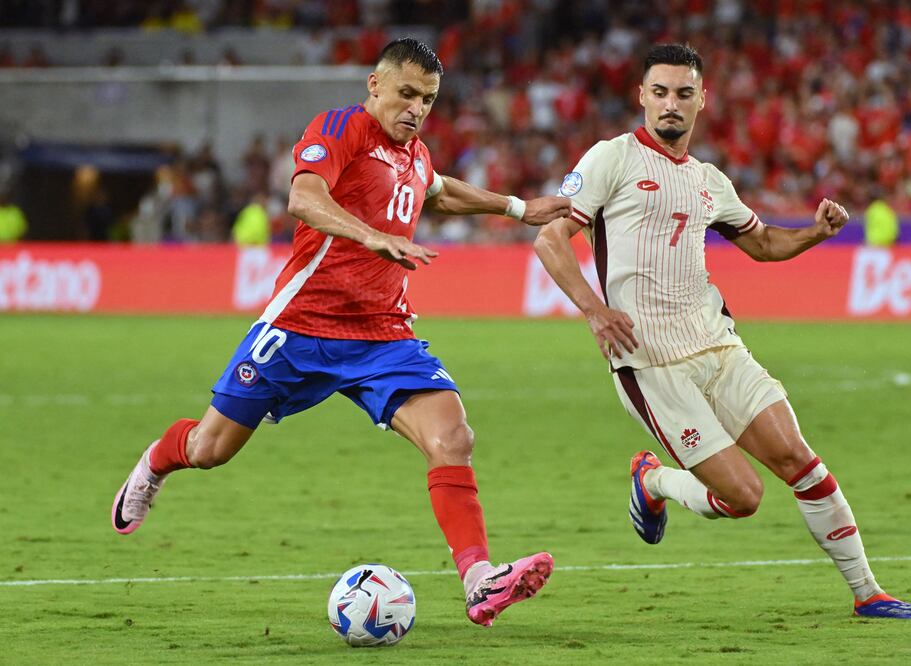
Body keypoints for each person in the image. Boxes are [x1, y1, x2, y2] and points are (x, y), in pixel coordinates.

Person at [112, 38, 569, 627]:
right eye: (406, 93)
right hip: (301, 326)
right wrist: (370, 235)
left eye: (427, 100)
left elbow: (442, 191)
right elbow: (304, 197)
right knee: (210, 449)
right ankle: (156, 460)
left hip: (383, 333)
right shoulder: (341, 127)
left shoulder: (415, 155)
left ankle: (480, 579)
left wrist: (515, 207)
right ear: (374, 86)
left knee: (452, 438)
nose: (416, 109)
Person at [533, 44, 911, 620]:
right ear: (641, 97)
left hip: (718, 344)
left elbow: (763, 243)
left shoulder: (708, 181)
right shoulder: (610, 159)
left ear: (703, 101)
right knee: (743, 498)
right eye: (661, 92)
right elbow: (550, 240)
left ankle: (869, 594)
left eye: (684, 94)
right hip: (651, 362)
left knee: (802, 460)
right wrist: (595, 311)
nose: (672, 104)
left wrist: (815, 232)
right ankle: (656, 482)